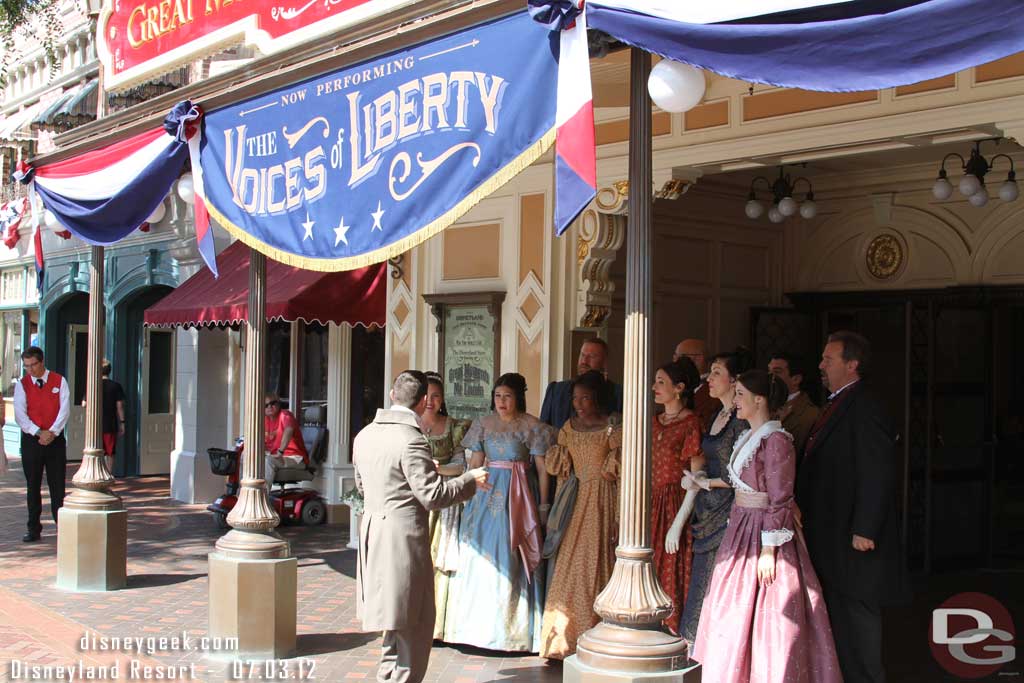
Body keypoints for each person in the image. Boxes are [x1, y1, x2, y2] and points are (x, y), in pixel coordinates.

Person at [692, 370, 841, 683]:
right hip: (741, 527)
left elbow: (779, 497)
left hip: (763, 533)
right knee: (731, 610)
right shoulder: (749, 436)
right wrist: (703, 482)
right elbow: (740, 484)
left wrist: (769, 551)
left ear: (759, 400)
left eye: (741, 395)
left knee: (769, 615)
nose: (736, 401)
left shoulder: (776, 440)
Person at [353, 370, 487, 683]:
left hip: (373, 533)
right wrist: (469, 479)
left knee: (392, 621)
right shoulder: (411, 439)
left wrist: (423, 472)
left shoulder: (365, 435)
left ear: (391, 396)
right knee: (414, 622)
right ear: (424, 401)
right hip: (402, 540)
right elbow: (433, 496)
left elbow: (364, 486)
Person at [797, 331, 905, 683]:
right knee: (839, 617)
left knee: (858, 618)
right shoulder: (837, 402)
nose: (821, 365)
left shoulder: (866, 403)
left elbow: (877, 469)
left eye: (828, 359)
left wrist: (865, 528)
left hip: (853, 537)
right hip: (831, 533)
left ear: (852, 364)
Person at [444, 373, 554, 652]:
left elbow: (542, 469)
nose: (502, 402)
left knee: (511, 552)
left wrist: (543, 506)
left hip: (519, 494)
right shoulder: (483, 424)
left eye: (507, 396)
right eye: (497, 396)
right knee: (481, 552)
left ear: (518, 397)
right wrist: (466, 493)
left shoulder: (532, 426)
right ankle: (475, 629)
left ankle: (513, 633)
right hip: (487, 492)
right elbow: (476, 462)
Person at [539, 370, 621, 659]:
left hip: (602, 500)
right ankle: (562, 640)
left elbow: (621, 476)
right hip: (575, 501)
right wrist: (558, 509)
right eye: (575, 398)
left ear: (598, 398)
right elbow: (562, 472)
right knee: (570, 563)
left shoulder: (612, 429)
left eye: (585, 398)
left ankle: (594, 636)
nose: (579, 404)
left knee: (598, 562)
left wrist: (619, 517)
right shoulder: (568, 427)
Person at [679, 348, 751, 645]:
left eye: (717, 373)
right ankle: (694, 647)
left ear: (736, 381)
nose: (709, 378)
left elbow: (746, 474)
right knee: (701, 580)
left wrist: (707, 483)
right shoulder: (716, 416)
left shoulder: (742, 420)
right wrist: (698, 479)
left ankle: (713, 650)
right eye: (709, 372)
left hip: (730, 511)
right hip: (707, 509)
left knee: (719, 581)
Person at [650, 358, 703, 636]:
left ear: (679, 388)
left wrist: (679, 521)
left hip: (674, 503)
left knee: (673, 563)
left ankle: (670, 629)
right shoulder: (654, 422)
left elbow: (696, 478)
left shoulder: (691, 423)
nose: (654, 387)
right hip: (651, 502)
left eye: (661, 382)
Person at [420, 371, 471, 640]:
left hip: (444, 502)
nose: (430, 400)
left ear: (443, 399)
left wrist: (439, 470)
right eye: (426, 395)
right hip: (416, 502)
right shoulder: (410, 427)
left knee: (439, 559)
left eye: (436, 395)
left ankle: (438, 625)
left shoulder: (454, 426)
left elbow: (462, 465)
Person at [13, 346, 70, 542]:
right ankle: (33, 529)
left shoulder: (59, 381)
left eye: (33, 365)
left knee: (57, 486)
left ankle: (62, 528)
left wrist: (52, 432)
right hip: (32, 440)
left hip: (55, 440)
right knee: (33, 485)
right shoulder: (22, 385)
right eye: (26, 366)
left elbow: (64, 410)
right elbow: (20, 414)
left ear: (41, 361)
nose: (30, 370)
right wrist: (38, 432)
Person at [540, 337, 622, 430]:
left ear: (604, 362)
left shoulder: (618, 393)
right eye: (582, 355)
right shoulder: (556, 390)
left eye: (592, 356)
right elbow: (544, 430)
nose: (584, 361)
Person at [768, 352, 819, 459]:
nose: (770, 377)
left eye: (777, 372)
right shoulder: (764, 405)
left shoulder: (811, 415)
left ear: (796, 379)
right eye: (769, 371)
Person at [263, 393, 308, 492]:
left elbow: (288, 430)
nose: (269, 406)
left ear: (278, 404)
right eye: (266, 405)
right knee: (245, 456)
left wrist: (280, 452)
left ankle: (262, 499)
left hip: (294, 458)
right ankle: (240, 496)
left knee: (268, 461)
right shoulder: (265, 420)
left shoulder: (285, 415)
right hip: (278, 456)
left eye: (272, 403)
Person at [673, 339, 717, 430]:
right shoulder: (674, 385)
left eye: (681, 356)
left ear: (699, 359)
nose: (675, 361)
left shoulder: (714, 388)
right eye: (674, 356)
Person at [100, 360, 126, 475]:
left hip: (96, 424)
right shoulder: (116, 386)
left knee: (97, 450)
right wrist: (122, 422)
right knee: (110, 451)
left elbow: (84, 404)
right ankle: (109, 473)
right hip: (110, 423)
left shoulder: (93, 385)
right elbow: (119, 406)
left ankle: (100, 472)